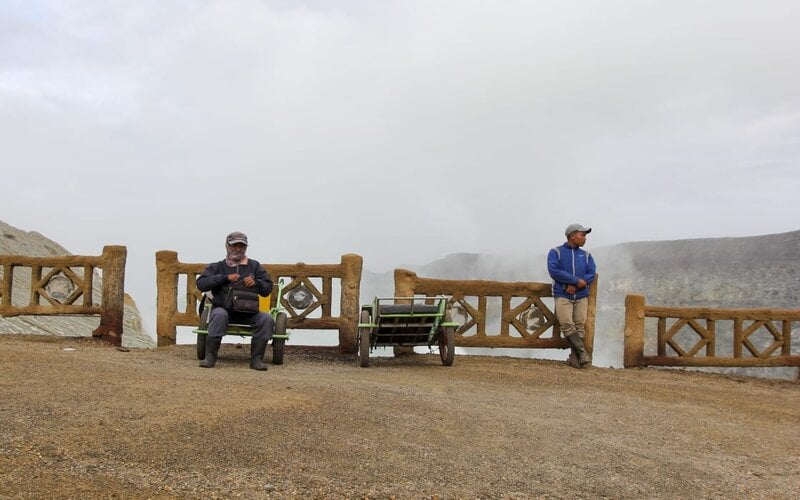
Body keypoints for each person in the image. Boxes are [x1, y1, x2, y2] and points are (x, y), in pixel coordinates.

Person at [196, 231, 274, 370]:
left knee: (266, 319)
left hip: (249, 313)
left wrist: (256, 283)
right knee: (218, 314)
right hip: (224, 311)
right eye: (234, 246)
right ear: (227, 246)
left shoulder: (255, 266)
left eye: (242, 246)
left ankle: (256, 360)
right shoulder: (217, 267)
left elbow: (267, 288)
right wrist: (225, 278)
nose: (238, 249)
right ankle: (210, 358)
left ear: (246, 248)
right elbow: (201, 284)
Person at [548, 223, 597, 368]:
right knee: (567, 325)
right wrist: (575, 281)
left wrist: (575, 286)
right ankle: (582, 354)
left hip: (581, 296)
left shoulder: (587, 256)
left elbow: (591, 273)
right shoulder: (555, 252)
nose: (585, 238)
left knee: (579, 326)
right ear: (572, 235)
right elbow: (554, 271)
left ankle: (575, 358)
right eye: (582, 235)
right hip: (562, 294)